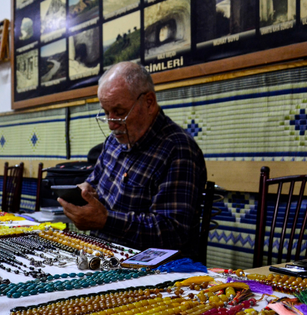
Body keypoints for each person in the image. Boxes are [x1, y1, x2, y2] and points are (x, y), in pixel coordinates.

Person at [58, 62, 207, 257]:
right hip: (102, 256)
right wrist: (85, 189)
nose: (111, 124)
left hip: (152, 273)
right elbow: (93, 183)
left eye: (119, 112)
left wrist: (106, 220)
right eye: (105, 112)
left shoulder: (178, 149)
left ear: (149, 102)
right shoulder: (114, 141)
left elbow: (173, 232)